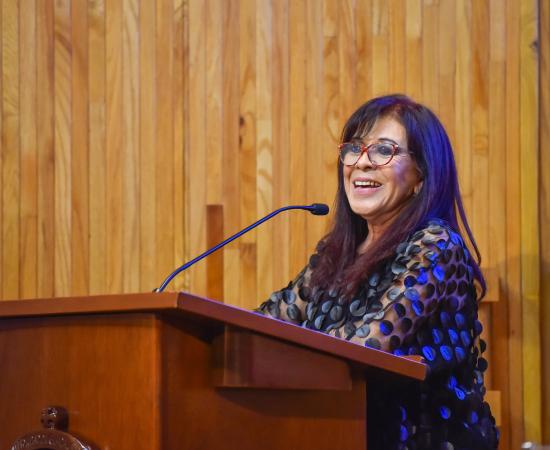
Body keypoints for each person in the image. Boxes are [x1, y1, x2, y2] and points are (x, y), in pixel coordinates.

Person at [257, 95, 499, 449]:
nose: (362, 162)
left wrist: (286, 353)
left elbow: (371, 343)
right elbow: (266, 323)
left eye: (384, 150)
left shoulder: (436, 246)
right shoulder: (336, 253)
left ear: (420, 175)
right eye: (354, 149)